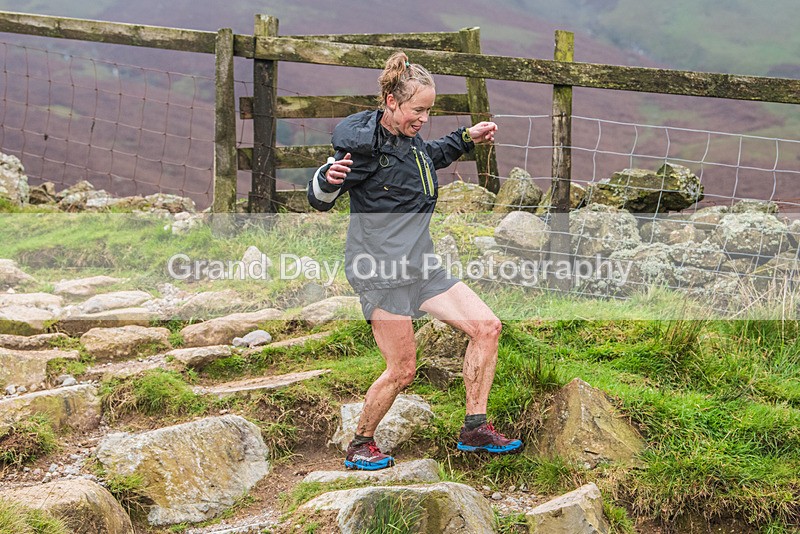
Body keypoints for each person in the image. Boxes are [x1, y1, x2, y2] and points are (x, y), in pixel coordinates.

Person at [308, 51, 522, 471]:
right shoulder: (361, 149)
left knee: (487, 327)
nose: (423, 118)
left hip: (421, 266)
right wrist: (325, 181)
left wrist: (466, 137)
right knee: (403, 369)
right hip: (381, 273)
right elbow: (320, 197)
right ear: (391, 101)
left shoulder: (409, 142)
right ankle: (359, 444)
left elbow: (428, 155)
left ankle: (474, 428)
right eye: (417, 110)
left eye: (429, 110)